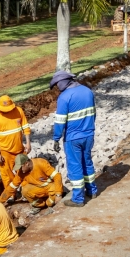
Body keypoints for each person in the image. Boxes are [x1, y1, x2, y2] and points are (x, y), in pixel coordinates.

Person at [50, 71, 98, 207]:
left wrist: (56, 138)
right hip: (89, 135)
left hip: (73, 138)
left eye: (57, 84)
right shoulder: (87, 91)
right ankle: (92, 191)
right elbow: (93, 113)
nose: (57, 87)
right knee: (87, 162)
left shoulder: (64, 97)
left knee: (75, 166)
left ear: (63, 81)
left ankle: (78, 199)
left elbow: (60, 122)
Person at [0, 95, 31, 191]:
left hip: (19, 149)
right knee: (6, 175)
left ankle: (28, 191)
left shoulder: (19, 111)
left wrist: (28, 143)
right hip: (5, 152)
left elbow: (26, 127)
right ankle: (11, 194)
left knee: (24, 170)